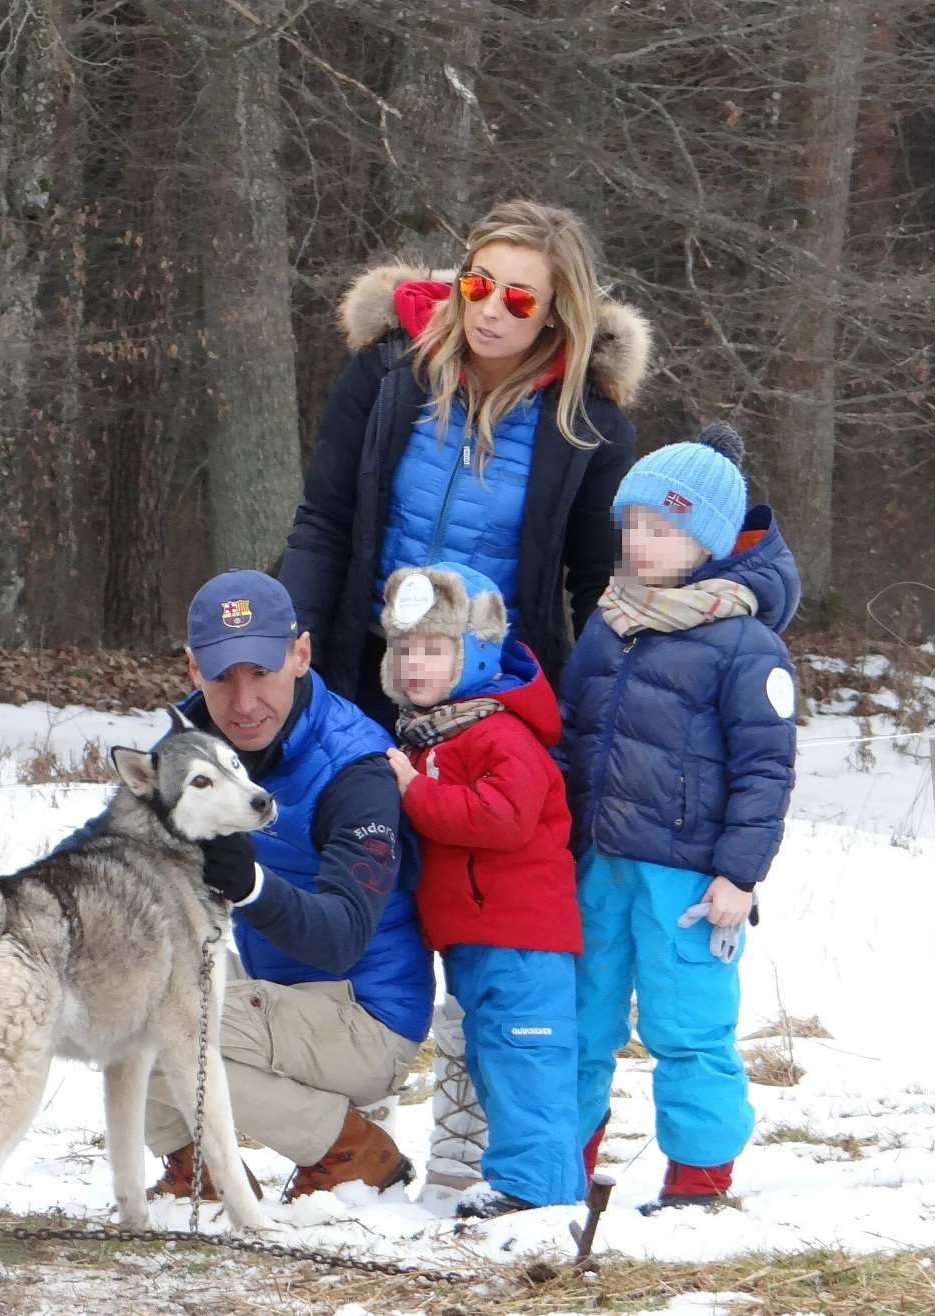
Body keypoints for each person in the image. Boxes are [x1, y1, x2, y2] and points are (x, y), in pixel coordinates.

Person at [279, 198, 651, 1194]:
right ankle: (343, 1137)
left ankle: (471, 1141)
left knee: (484, 917)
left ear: (556, 311)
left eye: (518, 297)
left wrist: (585, 719)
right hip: (368, 680)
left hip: (490, 708)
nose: (489, 310)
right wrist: (295, 643)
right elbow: (323, 519)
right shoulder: (387, 373)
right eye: (478, 283)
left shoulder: (589, 423)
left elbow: (595, 585)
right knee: (358, 893)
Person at [59, 571, 434, 1202]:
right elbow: (115, 841)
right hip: (269, 997)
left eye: (261, 671)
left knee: (159, 1023)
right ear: (193, 668)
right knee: (113, 995)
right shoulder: (191, 743)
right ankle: (197, 1166)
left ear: (300, 654)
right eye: (222, 677)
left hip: (366, 1017)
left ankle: (350, 1151)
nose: (243, 702)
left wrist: (251, 884)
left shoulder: (355, 768)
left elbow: (343, 938)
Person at [556, 425, 799, 1213]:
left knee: (688, 1025)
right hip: (600, 865)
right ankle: (562, 1163)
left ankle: (699, 1177)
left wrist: (739, 874)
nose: (640, 542)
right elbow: (571, 732)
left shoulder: (746, 644)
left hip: (689, 879)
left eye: (661, 528)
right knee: (580, 1018)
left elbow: (765, 771)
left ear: (709, 541)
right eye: (632, 524)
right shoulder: (611, 622)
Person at [380, 562, 584, 1218]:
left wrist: (416, 792)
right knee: (494, 1058)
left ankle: (542, 1194)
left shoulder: (499, 731)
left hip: (522, 936)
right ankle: (519, 1181)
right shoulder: (433, 733)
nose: (416, 664)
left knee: (528, 1056)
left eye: (434, 649)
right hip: (475, 937)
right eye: (405, 650)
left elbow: (503, 818)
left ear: (474, 653)